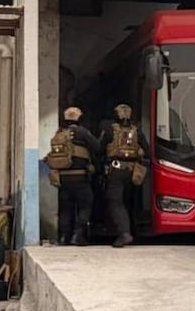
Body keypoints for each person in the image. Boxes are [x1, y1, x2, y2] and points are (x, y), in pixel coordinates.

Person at [45, 107, 100, 246]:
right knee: (86, 205)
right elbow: (97, 147)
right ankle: (78, 234)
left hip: (63, 178)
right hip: (80, 177)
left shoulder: (59, 133)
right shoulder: (82, 132)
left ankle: (64, 237)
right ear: (78, 118)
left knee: (65, 209)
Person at [100, 103, 150, 248]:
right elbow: (147, 151)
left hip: (116, 170)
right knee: (129, 202)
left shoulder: (110, 130)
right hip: (133, 172)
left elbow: (99, 148)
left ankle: (124, 234)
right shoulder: (137, 131)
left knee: (115, 202)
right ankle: (133, 232)